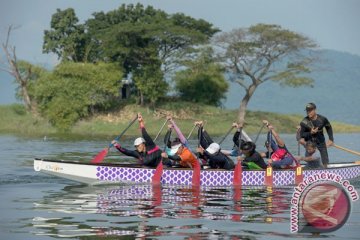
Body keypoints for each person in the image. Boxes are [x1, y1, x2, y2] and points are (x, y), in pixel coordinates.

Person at [299, 103, 334, 168]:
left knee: (325, 161)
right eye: (307, 111)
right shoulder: (304, 122)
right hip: (310, 144)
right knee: (310, 160)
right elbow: (302, 135)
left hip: (321, 142)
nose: (308, 113)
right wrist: (310, 133)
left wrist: (331, 139)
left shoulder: (323, 119)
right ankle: (311, 170)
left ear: (315, 110)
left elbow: (328, 127)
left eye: (310, 111)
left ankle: (325, 171)